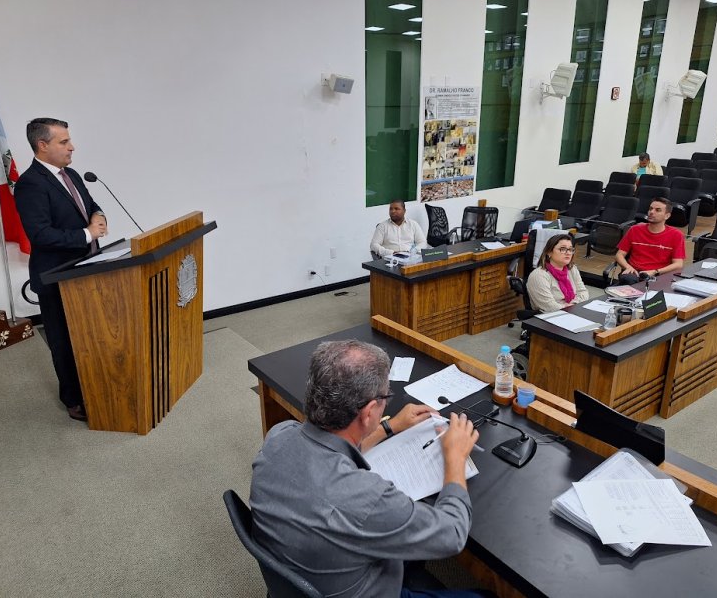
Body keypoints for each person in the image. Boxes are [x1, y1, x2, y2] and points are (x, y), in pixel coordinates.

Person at [250, 340, 489, 598]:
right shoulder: (368, 500)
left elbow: (333, 447)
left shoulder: (278, 436)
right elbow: (452, 534)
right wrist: (454, 458)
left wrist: (389, 427)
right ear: (369, 411)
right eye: (386, 397)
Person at [14, 118, 108, 422]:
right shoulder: (30, 183)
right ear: (43, 145)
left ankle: (97, 386)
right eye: (64, 141)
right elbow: (40, 234)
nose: (72, 146)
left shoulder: (73, 174)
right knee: (65, 339)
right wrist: (87, 234)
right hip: (56, 275)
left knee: (89, 334)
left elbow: (91, 205)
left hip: (86, 268)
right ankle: (74, 399)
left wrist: (99, 217)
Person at [615, 198, 685, 284]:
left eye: (657, 210)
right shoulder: (635, 230)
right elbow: (619, 254)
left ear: (667, 216)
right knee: (628, 280)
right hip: (634, 273)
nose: (651, 212)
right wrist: (627, 267)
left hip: (658, 275)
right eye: (650, 209)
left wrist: (655, 271)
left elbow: (678, 264)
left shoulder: (676, 235)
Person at [526, 234, 589, 313]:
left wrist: (573, 304)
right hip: (548, 317)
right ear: (549, 252)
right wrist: (569, 307)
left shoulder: (572, 269)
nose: (568, 253)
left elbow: (583, 292)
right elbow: (549, 306)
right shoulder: (539, 275)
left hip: (572, 311)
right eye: (563, 249)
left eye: (570, 249)